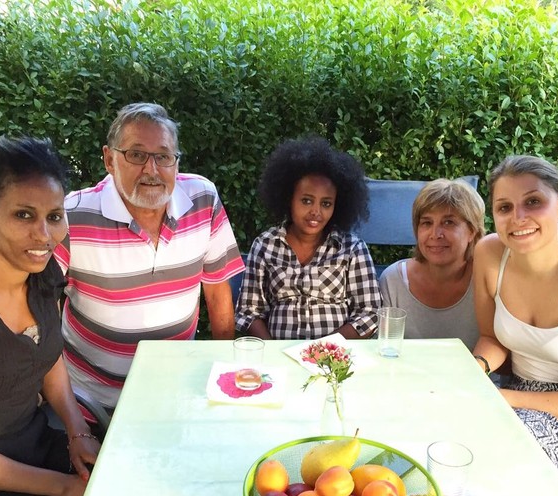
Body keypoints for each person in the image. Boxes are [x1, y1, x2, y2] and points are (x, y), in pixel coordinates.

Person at [54, 103, 244, 409]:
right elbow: (41, 307)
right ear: (109, 159)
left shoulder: (202, 199)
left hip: (176, 393)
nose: (151, 170)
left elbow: (217, 290)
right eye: (136, 155)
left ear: (176, 162)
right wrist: (67, 414)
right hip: (93, 403)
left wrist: (223, 374)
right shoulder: (72, 216)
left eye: (163, 157)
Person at [0, 136, 99, 496]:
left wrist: (77, 431)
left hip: (36, 440)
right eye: (24, 215)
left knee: (135, 475)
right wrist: (63, 487)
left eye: (54, 217)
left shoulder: (42, 274)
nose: (44, 235)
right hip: (5, 483)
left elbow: (48, 356)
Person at [473, 155, 558, 492]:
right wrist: (473, 370)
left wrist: (502, 399)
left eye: (533, 202)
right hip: (514, 392)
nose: (518, 218)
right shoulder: (490, 255)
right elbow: (493, 337)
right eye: (504, 207)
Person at [235, 136, 381, 339]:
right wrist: (271, 352)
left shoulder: (352, 249)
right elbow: (248, 311)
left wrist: (325, 349)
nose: (316, 212)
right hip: (278, 358)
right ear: (288, 198)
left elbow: (370, 314)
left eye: (326, 203)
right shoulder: (265, 245)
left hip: (336, 361)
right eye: (306, 200)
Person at [379, 178, 485, 351]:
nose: (435, 234)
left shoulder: (486, 280)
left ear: (472, 231)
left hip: (477, 376)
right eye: (427, 223)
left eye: (448, 222)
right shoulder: (393, 282)